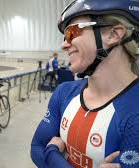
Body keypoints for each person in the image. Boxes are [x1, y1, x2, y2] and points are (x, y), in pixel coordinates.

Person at [31, 0, 139, 167]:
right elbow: (36, 148)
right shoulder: (64, 92)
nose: (64, 44)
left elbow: (43, 152)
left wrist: (52, 153)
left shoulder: (135, 113)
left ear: (113, 34)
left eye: (71, 32)